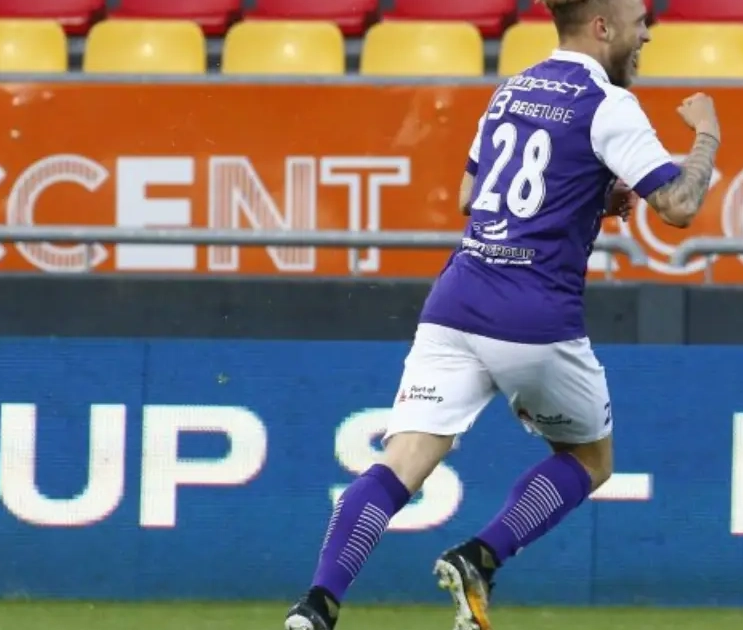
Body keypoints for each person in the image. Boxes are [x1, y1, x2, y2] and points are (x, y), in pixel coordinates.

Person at [283, 0, 720, 628]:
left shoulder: (513, 89)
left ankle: (316, 606)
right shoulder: (609, 104)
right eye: (637, 21)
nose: (646, 33)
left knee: (400, 461)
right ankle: (479, 557)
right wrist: (706, 136)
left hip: (456, 302)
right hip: (534, 315)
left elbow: (471, 196)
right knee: (590, 460)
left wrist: (592, 192)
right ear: (602, 27)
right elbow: (678, 206)